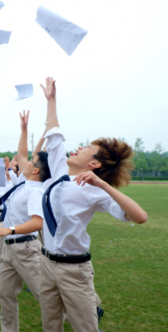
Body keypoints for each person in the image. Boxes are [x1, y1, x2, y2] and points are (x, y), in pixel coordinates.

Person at [38, 77, 148, 332]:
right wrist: (52, 100)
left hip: (73, 270)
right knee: (50, 326)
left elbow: (140, 217)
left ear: (95, 164)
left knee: (86, 328)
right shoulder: (59, 171)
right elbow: (54, 135)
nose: (77, 148)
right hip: (46, 263)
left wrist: (105, 186)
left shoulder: (94, 191)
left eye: (86, 148)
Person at [0, 110, 52, 331]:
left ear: (35, 170)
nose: (26, 159)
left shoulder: (35, 191)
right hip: (9, 251)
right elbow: (22, 153)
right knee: (6, 296)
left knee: (45, 296)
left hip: (26, 249)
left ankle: (83, 319)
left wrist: (8, 230)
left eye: (32, 160)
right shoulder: (25, 181)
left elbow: (37, 223)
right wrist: (23, 130)